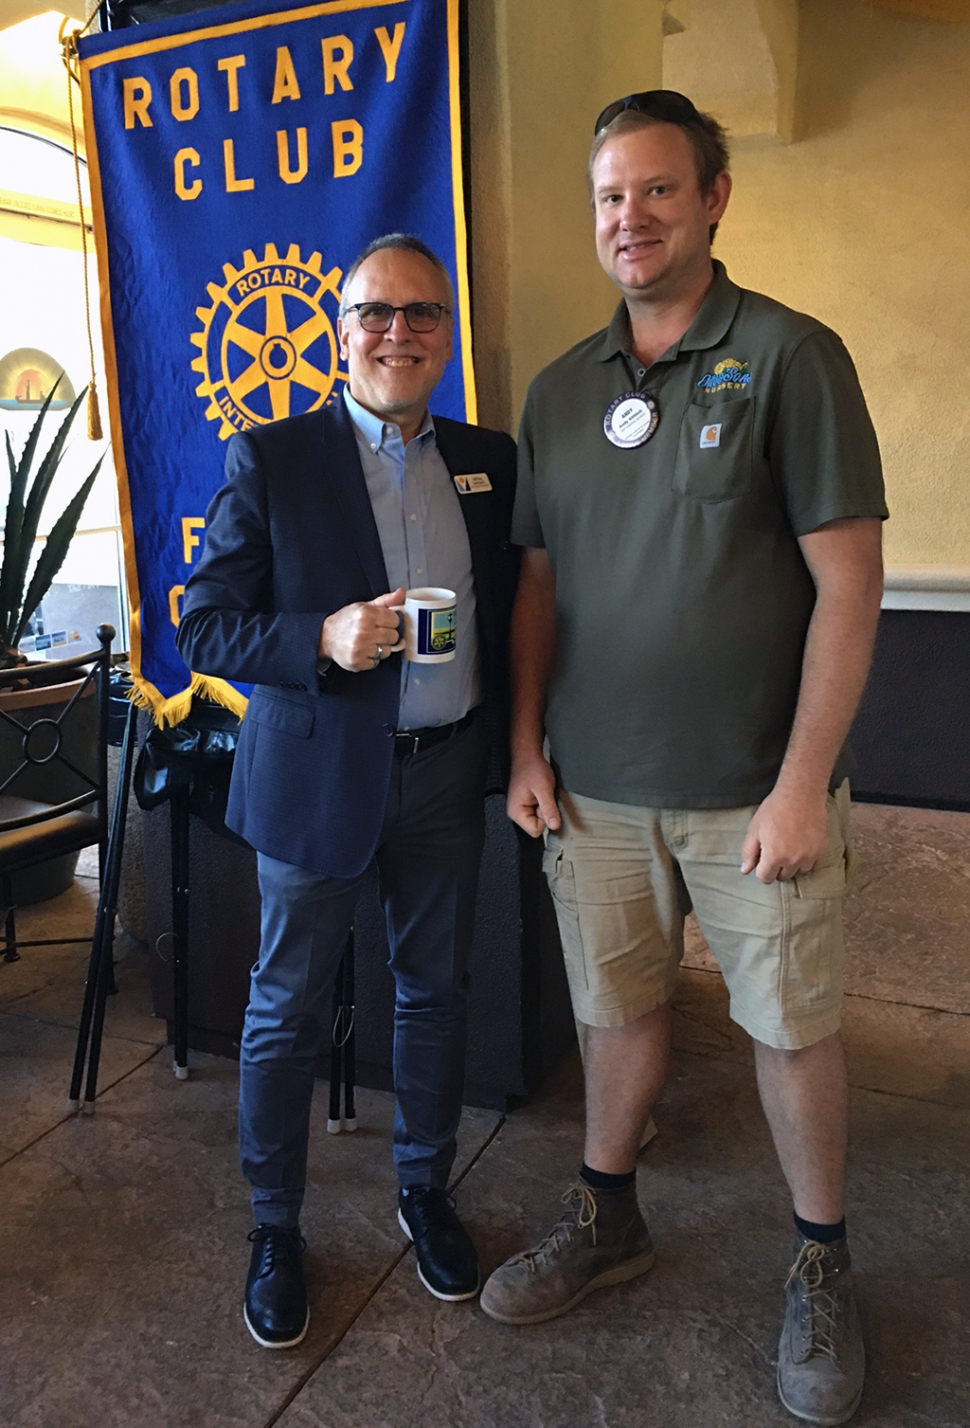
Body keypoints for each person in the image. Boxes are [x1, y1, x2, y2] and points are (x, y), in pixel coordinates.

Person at [479, 92, 887, 1427]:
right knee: (616, 1014)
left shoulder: (787, 357)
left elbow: (848, 586)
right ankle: (608, 1220)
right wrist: (527, 745)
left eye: (656, 191)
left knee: (789, 1028)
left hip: (752, 796)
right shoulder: (556, 390)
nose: (628, 219)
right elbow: (537, 591)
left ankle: (821, 1261)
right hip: (592, 793)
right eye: (609, 196)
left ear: (712, 198)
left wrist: (798, 779)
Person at [177, 233, 518, 1349]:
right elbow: (205, 623)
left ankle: (424, 1189)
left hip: (444, 774)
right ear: (339, 332)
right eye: (376, 312)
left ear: (444, 336)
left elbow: (516, 609)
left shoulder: (488, 458)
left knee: (431, 995)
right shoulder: (273, 456)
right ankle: (277, 1225)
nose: (399, 333)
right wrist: (317, 636)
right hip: (318, 783)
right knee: (285, 1011)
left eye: (422, 314)